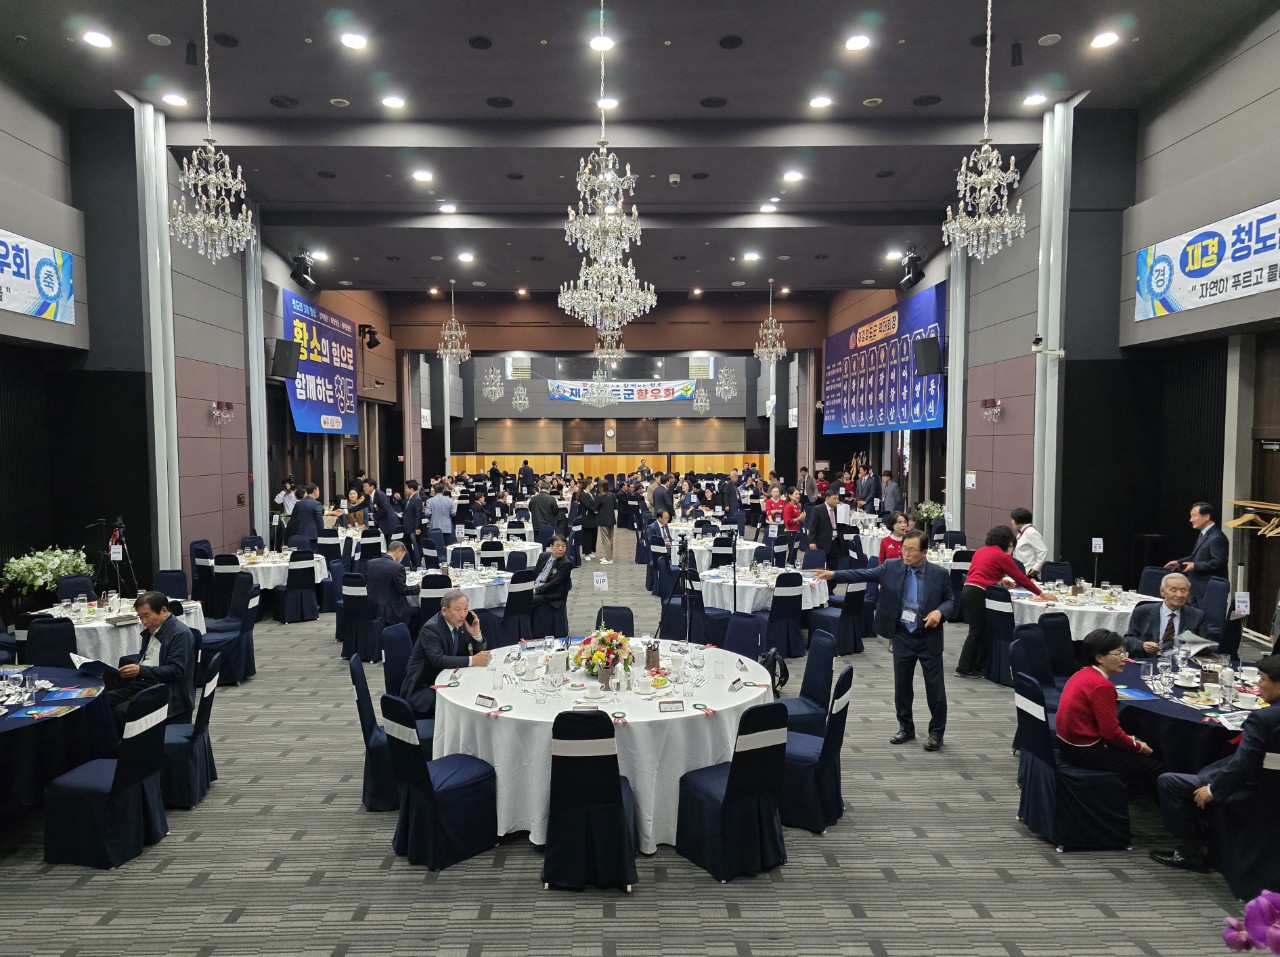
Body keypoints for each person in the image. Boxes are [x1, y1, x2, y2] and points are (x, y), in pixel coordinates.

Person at [817, 529, 955, 751]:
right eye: (904, 549)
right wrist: (834, 575)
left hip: (928, 637)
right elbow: (864, 574)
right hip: (902, 635)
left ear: (924, 552)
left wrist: (940, 612)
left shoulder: (939, 574)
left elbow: (950, 601)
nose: (906, 554)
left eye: (911, 550)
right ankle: (906, 727)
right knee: (902, 686)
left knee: (935, 689)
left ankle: (936, 733)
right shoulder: (892, 567)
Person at [1151, 652, 1280, 872]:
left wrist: (1214, 790)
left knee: (1169, 781)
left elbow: (1244, 763)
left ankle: (1191, 853)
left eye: (1263, 679)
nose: (1258, 685)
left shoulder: (1264, 719)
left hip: (1255, 789)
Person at [1055, 628, 1164, 776]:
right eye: (1118, 653)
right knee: (1156, 766)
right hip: (1084, 750)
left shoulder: (1082, 672)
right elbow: (1111, 733)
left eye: (1124, 652)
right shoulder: (1101, 686)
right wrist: (1138, 747)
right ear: (1100, 657)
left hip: (1066, 742)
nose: (1124, 658)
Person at [955, 525, 1055, 677]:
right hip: (979, 593)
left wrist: (1000, 581)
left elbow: (981, 572)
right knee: (976, 631)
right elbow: (1021, 578)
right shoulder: (1002, 556)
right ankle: (963, 667)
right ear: (1007, 541)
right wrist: (1042, 594)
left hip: (968, 589)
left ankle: (976, 666)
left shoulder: (981, 551)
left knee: (979, 629)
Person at [109, 591, 196, 731]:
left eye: (147, 615)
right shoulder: (154, 629)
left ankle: (127, 743)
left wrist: (140, 670)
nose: (144, 622)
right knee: (104, 699)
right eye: (140, 617)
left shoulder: (180, 634)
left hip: (166, 691)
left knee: (121, 711)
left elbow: (175, 670)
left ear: (164, 611)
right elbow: (148, 658)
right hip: (146, 682)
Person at [400, 589, 490, 719]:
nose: (463, 614)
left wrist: (476, 634)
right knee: (463, 704)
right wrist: (473, 660)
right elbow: (438, 660)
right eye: (458, 610)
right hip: (423, 688)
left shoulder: (462, 624)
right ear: (444, 611)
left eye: (466, 609)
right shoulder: (431, 629)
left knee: (478, 694)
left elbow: (474, 652)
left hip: (450, 679)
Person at [1123, 572, 1204, 657]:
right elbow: (1128, 639)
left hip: (1181, 660)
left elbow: (1207, 646)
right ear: (1162, 591)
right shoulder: (1142, 611)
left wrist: (1196, 644)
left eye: (1183, 590)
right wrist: (1142, 645)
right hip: (1150, 659)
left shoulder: (1196, 615)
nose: (1179, 595)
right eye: (1173, 590)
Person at [1163, 502, 1229, 601]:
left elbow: (1219, 562)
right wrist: (1179, 563)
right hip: (1198, 589)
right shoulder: (1203, 535)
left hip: (1209, 590)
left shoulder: (1216, 537)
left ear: (1206, 517)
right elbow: (1196, 557)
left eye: (1194, 516)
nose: (1191, 520)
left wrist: (1195, 566)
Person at [366, 541, 420, 631]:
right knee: (418, 611)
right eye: (403, 555)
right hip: (391, 610)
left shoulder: (371, 563)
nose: (402, 559)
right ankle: (406, 636)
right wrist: (418, 586)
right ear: (399, 551)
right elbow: (404, 590)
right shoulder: (397, 567)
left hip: (372, 606)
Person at [531, 535, 574, 637]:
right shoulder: (543, 556)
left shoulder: (565, 563)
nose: (560, 549)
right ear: (551, 546)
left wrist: (535, 590)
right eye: (557, 546)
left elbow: (554, 583)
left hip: (552, 593)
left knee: (529, 599)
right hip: (537, 585)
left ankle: (532, 631)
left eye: (563, 546)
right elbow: (535, 572)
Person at [806, 489, 843, 569]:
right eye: (834, 498)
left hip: (835, 542)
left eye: (838, 498)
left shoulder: (838, 510)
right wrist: (811, 542)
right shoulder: (818, 509)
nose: (837, 501)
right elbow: (812, 527)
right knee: (820, 567)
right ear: (827, 498)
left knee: (833, 567)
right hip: (822, 542)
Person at [1010, 508, 1048, 578]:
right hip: (1021, 571)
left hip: (1029, 573)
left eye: (1013, 519)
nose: (1011, 522)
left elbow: (1043, 551)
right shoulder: (1022, 533)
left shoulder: (1031, 532)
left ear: (1019, 520)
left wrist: (1036, 568)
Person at [363, 479, 395, 544]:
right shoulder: (368, 497)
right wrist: (345, 511)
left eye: (365, 486)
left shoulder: (380, 495)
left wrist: (374, 516)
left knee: (390, 545)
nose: (364, 488)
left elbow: (385, 509)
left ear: (372, 486)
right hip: (380, 525)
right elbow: (360, 506)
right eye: (363, 486)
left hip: (388, 524)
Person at [401, 480, 424, 564]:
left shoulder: (417, 499)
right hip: (407, 527)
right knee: (408, 546)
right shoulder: (409, 499)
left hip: (413, 528)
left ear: (411, 489)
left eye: (406, 488)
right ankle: (412, 562)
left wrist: (417, 528)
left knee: (415, 546)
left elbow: (418, 515)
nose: (405, 489)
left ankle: (416, 563)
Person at [718, 469, 746, 536]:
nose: (737, 478)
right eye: (735, 476)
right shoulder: (728, 484)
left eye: (737, 476)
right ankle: (731, 534)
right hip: (731, 505)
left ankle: (735, 533)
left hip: (736, 504)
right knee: (731, 520)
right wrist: (726, 505)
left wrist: (740, 497)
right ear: (732, 477)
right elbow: (726, 495)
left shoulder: (734, 485)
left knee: (735, 520)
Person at [273, 478, 297, 550]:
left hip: (295, 516)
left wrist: (293, 491)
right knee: (285, 533)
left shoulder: (295, 492)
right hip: (287, 517)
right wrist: (285, 491)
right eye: (286, 485)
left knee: (295, 533)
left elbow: (300, 499)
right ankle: (284, 548)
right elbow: (277, 500)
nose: (288, 486)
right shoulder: (284, 494)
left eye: (288, 485)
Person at [579, 479, 599, 560]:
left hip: (594, 517)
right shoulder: (583, 494)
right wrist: (594, 510)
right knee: (587, 535)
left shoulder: (591, 493)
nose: (593, 485)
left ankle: (591, 551)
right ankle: (586, 553)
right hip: (587, 517)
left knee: (593, 534)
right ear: (588, 485)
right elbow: (587, 505)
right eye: (592, 483)